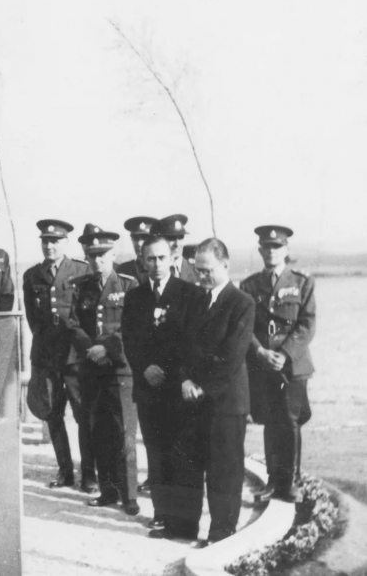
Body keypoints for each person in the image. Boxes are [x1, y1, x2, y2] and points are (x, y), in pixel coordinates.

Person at [171, 238, 254, 546]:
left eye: (207, 271)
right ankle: (185, 528)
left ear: (225, 265)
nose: (201, 277)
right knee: (191, 464)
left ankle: (221, 533)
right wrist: (183, 380)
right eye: (197, 271)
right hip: (194, 397)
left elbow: (231, 358)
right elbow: (181, 348)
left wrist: (200, 385)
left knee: (224, 471)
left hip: (226, 402)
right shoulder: (194, 301)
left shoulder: (242, 303)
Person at [122, 234, 204, 534]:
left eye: (161, 258)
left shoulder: (190, 294)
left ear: (172, 258)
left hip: (177, 388)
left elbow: (192, 343)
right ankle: (160, 511)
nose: (156, 264)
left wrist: (170, 371)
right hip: (148, 388)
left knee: (180, 452)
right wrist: (144, 368)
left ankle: (182, 518)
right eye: (150, 259)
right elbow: (129, 340)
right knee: (155, 452)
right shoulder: (135, 297)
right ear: (142, 262)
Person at [240, 225, 315, 503]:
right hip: (262, 364)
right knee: (271, 421)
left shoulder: (302, 282)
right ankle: (274, 480)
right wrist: (260, 353)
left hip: (292, 365)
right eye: (266, 247)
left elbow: (307, 324)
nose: (271, 252)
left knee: (291, 421)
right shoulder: (249, 285)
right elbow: (244, 327)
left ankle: (291, 481)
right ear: (260, 251)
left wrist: (283, 353)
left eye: (277, 247)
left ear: (286, 250)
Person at [22, 219, 96, 492]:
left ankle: (89, 475)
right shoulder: (31, 276)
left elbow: (87, 316)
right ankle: (65, 471)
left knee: (82, 414)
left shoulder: (81, 270)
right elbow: (33, 319)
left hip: (75, 356)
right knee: (52, 414)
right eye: (45, 241)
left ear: (65, 243)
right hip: (46, 356)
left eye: (55, 241)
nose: (49, 245)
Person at [72, 225, 140, 515]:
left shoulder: (128, 285)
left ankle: (129, 495)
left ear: (113, 254)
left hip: (120, 370)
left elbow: (135, 328)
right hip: (92, 370)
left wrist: (107, 349)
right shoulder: (82, 288)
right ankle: (108, 490)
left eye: (102, 255)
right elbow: (73, 324)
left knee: (124, 433)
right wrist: (91, 349)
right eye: (91, 255)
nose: (97, 261)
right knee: (98, 431)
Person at [150, 215, 200, 284]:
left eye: (181, 237)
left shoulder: (196, 271)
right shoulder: (153, 272)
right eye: (171, 238)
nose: (177, 244)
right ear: (161, 240)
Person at [117, 216, 157, 285]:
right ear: (131, 240)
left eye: (144, 237)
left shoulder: (163, 267)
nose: (139, 243)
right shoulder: (123, 270)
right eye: (136, 238)